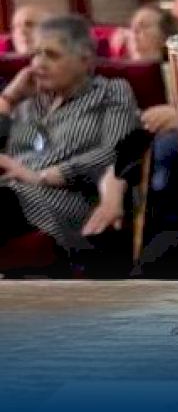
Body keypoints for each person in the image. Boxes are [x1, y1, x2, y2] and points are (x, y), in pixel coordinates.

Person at [0, 15, 140, 258]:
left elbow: (117, 152)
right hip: (9, 193)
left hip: (62, 199)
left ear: (85, 60)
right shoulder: (28, 102)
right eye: (35, 54)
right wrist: (9, 97)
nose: (38, 64)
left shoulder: (111, 92)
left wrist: (44, 176)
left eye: (51, 55)